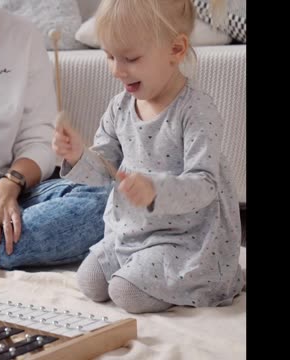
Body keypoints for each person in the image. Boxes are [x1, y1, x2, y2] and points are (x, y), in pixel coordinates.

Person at [52, 0, 244, 314]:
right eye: (109, 56)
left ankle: (211, 279)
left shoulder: (196, 110)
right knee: (89, 281)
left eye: (130, 58)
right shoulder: (119, 107)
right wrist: (77, 155)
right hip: (131, 231)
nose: (116, 69)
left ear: (176, 50)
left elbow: (205, 184)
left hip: (184, 238)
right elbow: (104, 171)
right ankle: (139, 268)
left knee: (124, 292)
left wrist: (156, 189)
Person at [0, 7, 110, 270]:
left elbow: (38, 138)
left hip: (9, 186)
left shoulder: (22, 36)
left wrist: (9, 185)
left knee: (107, 201)